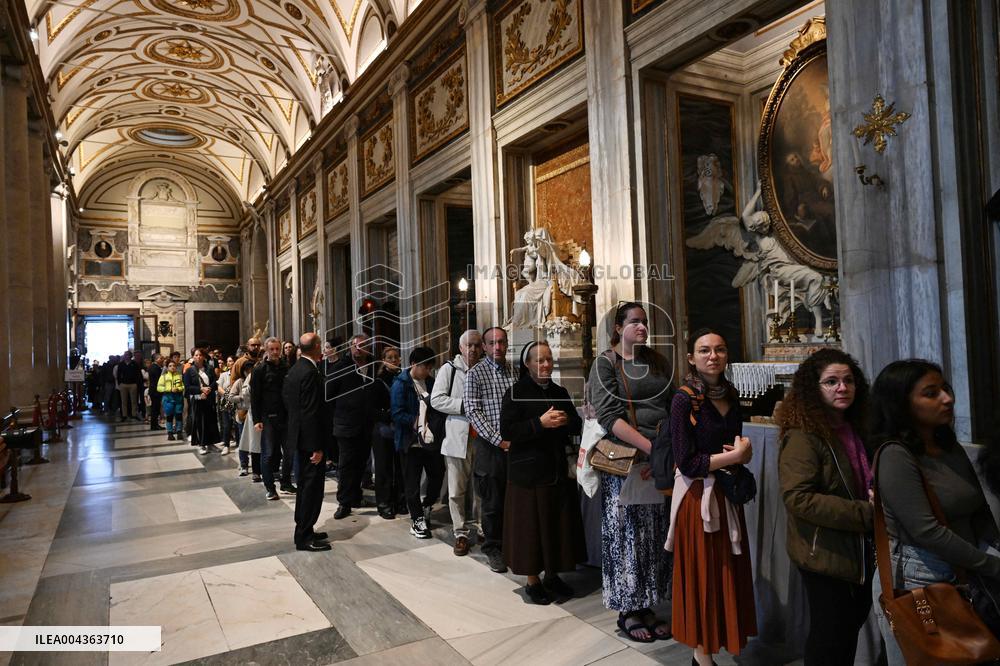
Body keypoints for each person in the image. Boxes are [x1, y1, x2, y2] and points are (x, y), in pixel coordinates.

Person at [869, 359, 1000, 666]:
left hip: (966, 568)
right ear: (902, 404)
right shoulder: (895, 454)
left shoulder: (947, 444)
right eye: (931, 393)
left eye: (945, 388)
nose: (947, 398)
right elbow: (925, 531)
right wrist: (992, 566)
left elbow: (978, 510)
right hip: (921, 577)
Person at [776, 349, 873, 666]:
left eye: (848, 380)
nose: (842, 388)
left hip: (855, 548)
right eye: (831, 382)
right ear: (813, 388)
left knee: (846, 632)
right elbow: (798, 498)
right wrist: (867, 513)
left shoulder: (857, 426)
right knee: (830, 639)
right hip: (825, 553)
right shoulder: (804, 435)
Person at [667, 328, 756, 663]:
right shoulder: (683, 399)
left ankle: (709, 649)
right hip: (697, 500)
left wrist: (737, 457)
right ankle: (702, 657)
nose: (713, 356)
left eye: (719, 349)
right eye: (704, 350)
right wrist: (735, 457)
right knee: (703, 579)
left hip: (725, 495)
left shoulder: (731, 396)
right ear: (692, 358)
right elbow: (687, 462)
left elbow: (735, 445)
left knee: (726, 576)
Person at [587, 302, 674, 641]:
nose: (641, 327)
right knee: (626, 535)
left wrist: (664, 450)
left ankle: (646, 603)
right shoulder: (605, 364)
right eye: (634, 322)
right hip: (626, 460)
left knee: (652, 535)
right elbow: (610, 416)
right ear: (618, 328)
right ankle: (627, 610)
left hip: (658, 458)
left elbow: (670, 404)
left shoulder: (656, 361)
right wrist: (651, 450)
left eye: (645, 322)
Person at [500, 340, 586, 604]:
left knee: (556, 526)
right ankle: (532, 581)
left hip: (556, 469)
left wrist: (565, 421)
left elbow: (576, 423)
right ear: (528, 364)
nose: (546, 364)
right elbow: (508, 432)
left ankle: (552, 575)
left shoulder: (559, 391)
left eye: (549, 359)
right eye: (540, 360)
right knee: (531, 529)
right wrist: (540, 423)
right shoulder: (516, 392)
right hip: (528, 473)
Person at [464, 326, 515, 574]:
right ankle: (494, 549)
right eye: (492, 343)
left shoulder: (514, 370)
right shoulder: (475, 374)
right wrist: (499, 440)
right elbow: (474, 412)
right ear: (484, 347)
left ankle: (513, 545)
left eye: (502, 342)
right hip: (490, 447)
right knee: (493, 502)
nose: (498, 347)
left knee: (513, 498)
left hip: (514, 446)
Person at [432, 330, 483, 556]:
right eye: (468, 345)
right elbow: (436, 399)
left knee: (481, 488)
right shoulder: (448, 370)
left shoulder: (486, 369)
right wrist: (464, 406)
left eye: (476, 345)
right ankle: (460, 532)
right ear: (461, 348)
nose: (472, 349)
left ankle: (482, 528)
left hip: (482, 438)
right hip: (457, 436)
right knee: (457, 490)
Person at [391, 346, 446, 539]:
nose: (427, 371)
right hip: (410, 442)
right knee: (412, 483)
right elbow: (396, 413)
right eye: (425, 367)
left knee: (437, 474)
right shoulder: (401, 383)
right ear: (414, 364)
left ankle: (427, 505)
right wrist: (415, 421)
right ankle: (417, 519)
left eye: (430, 367)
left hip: (431, 441)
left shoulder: (431, 382)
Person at [283, 333, 330, 552]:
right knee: (311, 489)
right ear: (317, 346)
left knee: (305, 487)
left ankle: (306, 529)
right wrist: (316, 447)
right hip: (309, 442)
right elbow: (311, 412)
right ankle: (303, 536)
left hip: (298, 437)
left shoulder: (295, 369)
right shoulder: (310, 372)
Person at [328, 334, 375, 519]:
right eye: (356, 346)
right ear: (350, 347)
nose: (359, 349)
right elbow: (329, 394)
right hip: (345, 424)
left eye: (363, 346)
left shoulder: (373, 365)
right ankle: (344, 503)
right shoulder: (340, 367)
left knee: (361, 463)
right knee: (347, 465)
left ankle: (356, 496)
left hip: (366, 424)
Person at [251, 337, 291, 498]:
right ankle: (270, 488)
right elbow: (255, 396)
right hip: (267, 416)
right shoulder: (259, 369)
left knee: (289, 452)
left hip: (285, 415)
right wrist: (257, 420)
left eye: (277, 349)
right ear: (266, 350)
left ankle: (286, 483)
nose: (275, 352)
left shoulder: (285, 366)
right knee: (267, 453)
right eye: (272, 349)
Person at [371, 345, 404, 519]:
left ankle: (400, 500)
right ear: (384, 361)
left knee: (400, 466)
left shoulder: (404, 378)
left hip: (401, 428)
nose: (393, 360)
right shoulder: (378, 381)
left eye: (395, 357)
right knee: (383, 468)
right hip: (383, 428)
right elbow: (371, 408)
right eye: (389, 357)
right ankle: (384, 504)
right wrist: (388, 415)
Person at [184, 348, 221, 454]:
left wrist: (209, 388)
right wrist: (200, 389)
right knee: (200, 421)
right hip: (197, 399)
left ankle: (211, 443)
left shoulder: (209, 368)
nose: (198, 357)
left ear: (204, 356)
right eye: (196, 355)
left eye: (200, 355)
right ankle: (202, 444)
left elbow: (214, 381)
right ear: (193, 357)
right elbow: (187, 387)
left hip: (209, 398)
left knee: (211, 421)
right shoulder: (189, 371)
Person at [234, 360, 262, 483]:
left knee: (265, 444)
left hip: (269, 413)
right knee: (254, 443)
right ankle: (252, 469)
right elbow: (243, 394)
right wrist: (246, 403)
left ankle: (268, 469)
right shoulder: (251, 376)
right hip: (252, 412)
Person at [157, 359, 185, 441]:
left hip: (178, 399)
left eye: (174, 366)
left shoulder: (179, 376)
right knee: (169, 417)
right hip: (168, 400)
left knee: (179, 416)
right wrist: (169, 389)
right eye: (170, 366)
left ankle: (179, 432)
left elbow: (183, 386)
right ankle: (170, 433)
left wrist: (179, 388)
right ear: (167, 367)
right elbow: (159, 387)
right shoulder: (163, 376)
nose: (172, 367)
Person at [115, 350, 142, 422]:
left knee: (134, 401)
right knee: (124, 401)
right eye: (125, 355)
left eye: (127, 355)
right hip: (123, 384)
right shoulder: (121, 364)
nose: (126, 356)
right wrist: (120, 383)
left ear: (130, 356)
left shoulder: (134, 364)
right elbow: (118, 374)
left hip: (133, 384)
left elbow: (138, 374)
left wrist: (136, 383)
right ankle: (124, 415)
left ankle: (134, 414)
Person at [148, 354, 164, 431]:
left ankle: (155, 425)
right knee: (155, 409)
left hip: (154, 391)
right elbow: (158, 380)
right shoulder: (155, 368)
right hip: (155, 391)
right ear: (156, 359)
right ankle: (154, 425)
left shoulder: (154, 367)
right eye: (161, 358)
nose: (162, 359)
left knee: (156, 409)